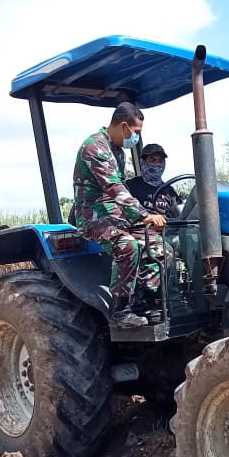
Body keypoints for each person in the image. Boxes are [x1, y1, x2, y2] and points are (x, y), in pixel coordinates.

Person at [71, 102, 167, 329]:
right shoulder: (94, 147)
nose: (136, 137)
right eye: (136, 133)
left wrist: (148, 218)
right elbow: (114, 188)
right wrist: (143, 214)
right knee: (128, 247)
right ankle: (121, 311)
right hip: (93, 214)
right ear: (124, 127)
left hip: (116, 214)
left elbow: (121, 190)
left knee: (159, 245)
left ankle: (147, 299)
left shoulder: (117, 150)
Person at [125, 143, 179, 219]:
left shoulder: (169, 191)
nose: (157, 164)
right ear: (142, 162)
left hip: (166, 229)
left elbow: (179, 216)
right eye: (152, 160)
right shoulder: (130, 186)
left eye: (160, 160)